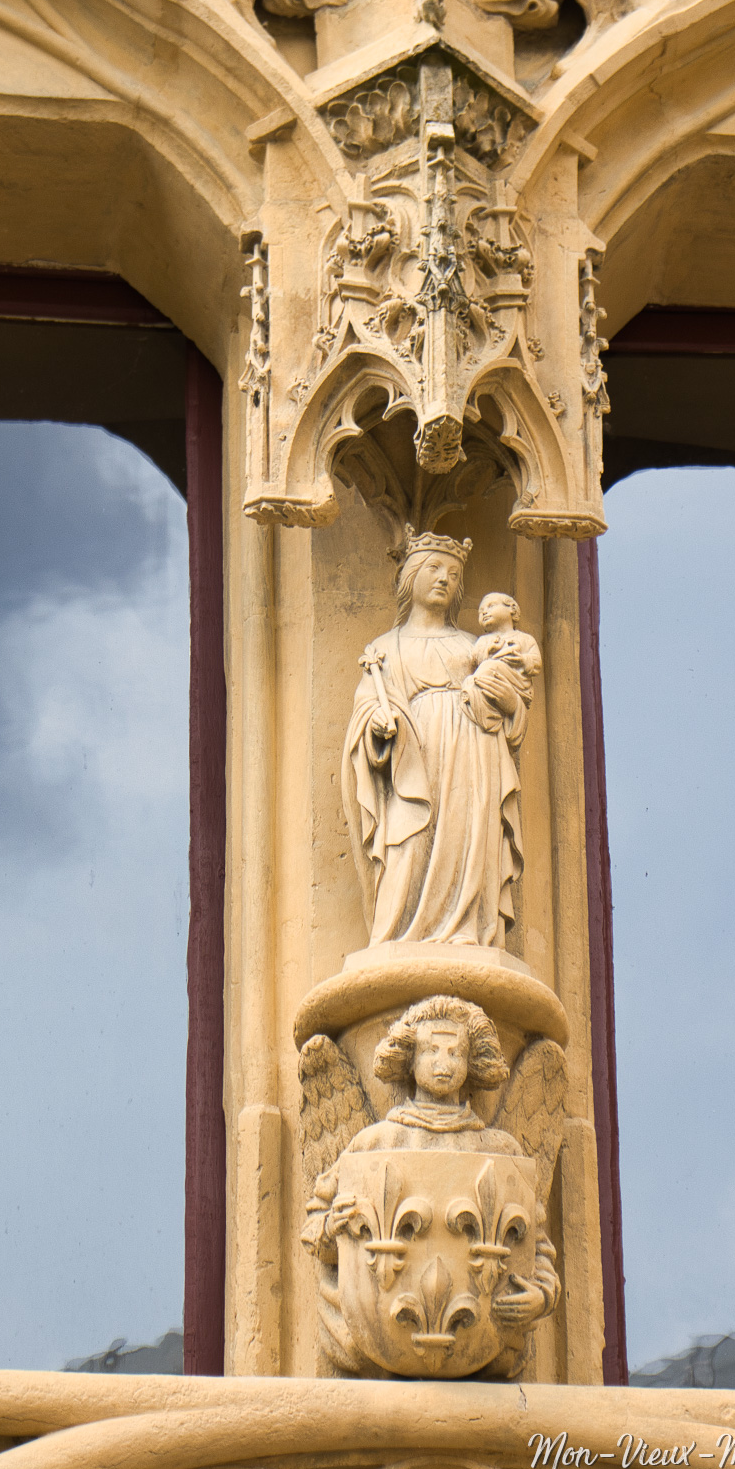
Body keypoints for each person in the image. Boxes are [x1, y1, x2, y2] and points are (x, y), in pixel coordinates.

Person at [301, 996, 559, 1372]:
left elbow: (537, 1246)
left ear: (471, 1062)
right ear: (409, 1058)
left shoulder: (499, 1150)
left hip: (481, 1343)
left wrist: (542, 1296)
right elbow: (314, 1227)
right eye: (430, 1051)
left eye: (455, 1053)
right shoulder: (375, 1143)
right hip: (379, 1336)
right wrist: (330, 1226)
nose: (443, 1064)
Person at [341, 528, 527, 947]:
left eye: (454, 574)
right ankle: (399, 936)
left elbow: (512, 703)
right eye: (434, 569)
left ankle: (467, 930)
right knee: (409, 844)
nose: (445, 579)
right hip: (413, 758)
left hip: (474, 755)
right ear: (410, 577)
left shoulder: (473, 646)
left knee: (469, 843)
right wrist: (376, 728)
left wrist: (510, 704)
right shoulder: (386, 648)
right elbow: (367, 708)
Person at [461, 592, 542, 736]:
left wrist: (523, 660)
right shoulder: (483, 641)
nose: (484, 612)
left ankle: (475, 698)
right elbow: (475, 660)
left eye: (490, 606)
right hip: (490, 677)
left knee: (484, 671)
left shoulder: (525, 639)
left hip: (516, 682)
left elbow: (536, 662)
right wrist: (489, 650)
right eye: (480, 611)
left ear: (512, 609)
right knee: (481, 673)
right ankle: (484, 711)